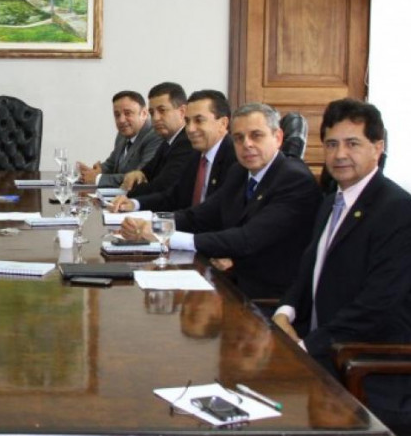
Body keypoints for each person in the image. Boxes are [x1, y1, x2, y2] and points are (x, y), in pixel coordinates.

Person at [273, 98, 411, 430]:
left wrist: (303, 347)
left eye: (353, 144)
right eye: (332, 144)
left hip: (368, 364)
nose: (340, 155)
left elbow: (377, 306)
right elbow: (307, 272)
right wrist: (284, 313)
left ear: (377, 147)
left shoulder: (399, 211)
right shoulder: (330, 203)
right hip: (323, 350)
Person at [121, 102, 321, 300]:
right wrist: (152, 225)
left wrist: (163, 236)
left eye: (256, 135)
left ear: (277, 138)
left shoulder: (294, 179)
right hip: (230, 280)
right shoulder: (240, 172)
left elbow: (247, 239)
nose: (247, 144)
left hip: (270, 297)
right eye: (239, 138)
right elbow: (200, 216)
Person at [110, 90, 236, 212]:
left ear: (223, 123)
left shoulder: (235, 160)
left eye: (199, 120)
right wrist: (134, 204)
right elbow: (173, 197)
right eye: (187, 121)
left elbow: (213, 214)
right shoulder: (197, 154)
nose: (190, 129)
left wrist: (161, 226)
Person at [118, 82, 198, 196]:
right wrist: (137, 173)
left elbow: (162, 186)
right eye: (152, 112)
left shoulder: (186, 142)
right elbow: (147, 172)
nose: (155, 118)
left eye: (162, 110)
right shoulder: (167, 141)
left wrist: (128, 196)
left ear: (182, 112)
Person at [76, 90, 162, 187]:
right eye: (117, 115)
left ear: (144, 114)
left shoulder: (155, 136)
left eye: (128, 113)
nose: (121, 120)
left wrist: (97, 178)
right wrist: (94, 171)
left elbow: (141, 176)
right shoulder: (122, 135)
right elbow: (111, 164)